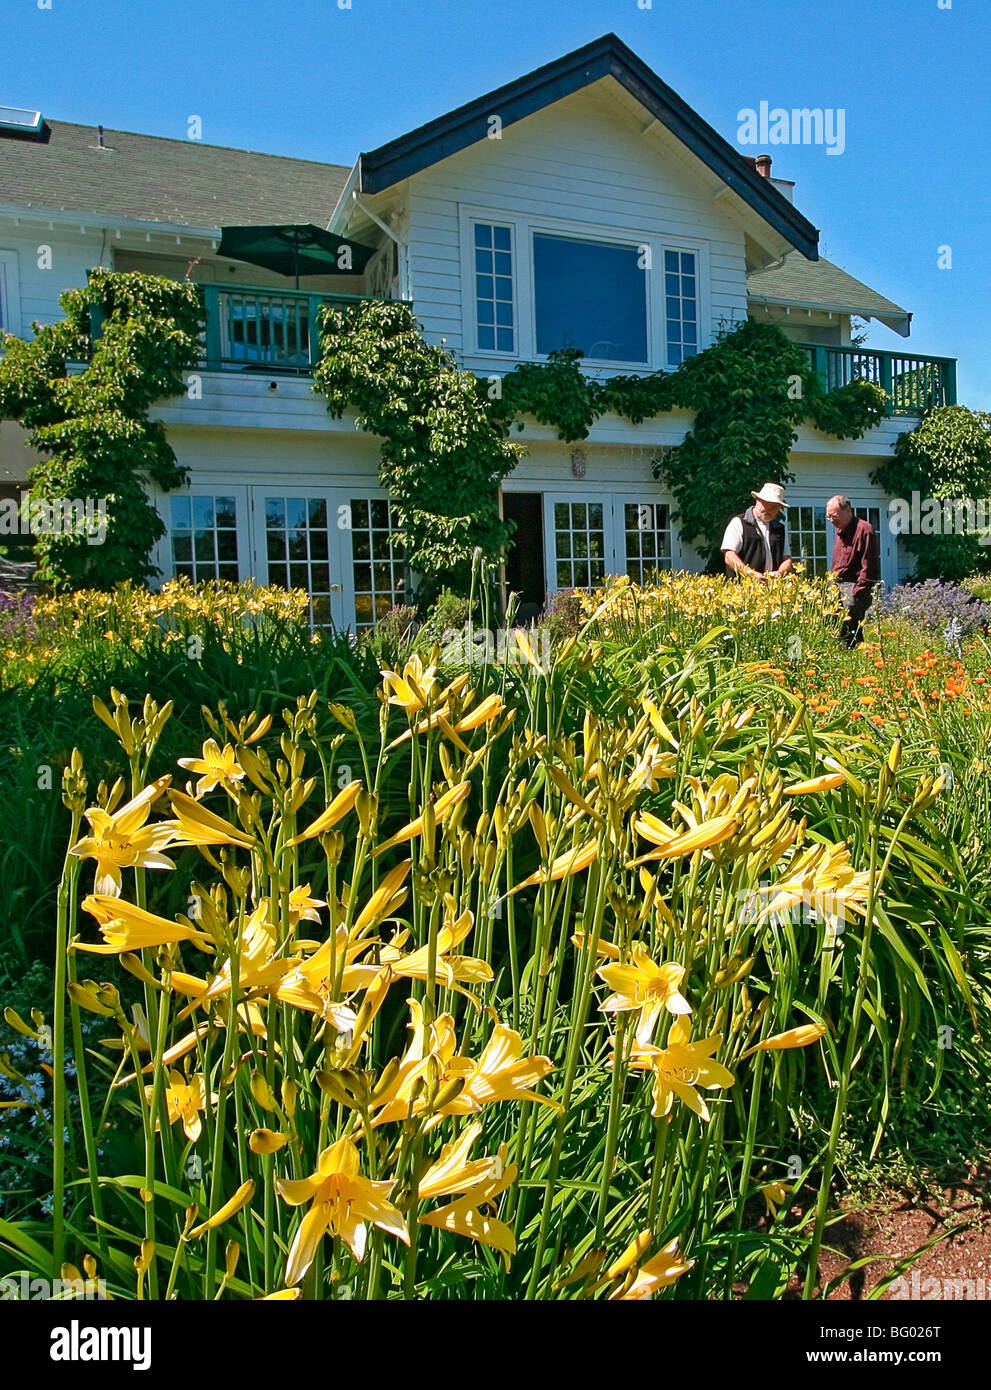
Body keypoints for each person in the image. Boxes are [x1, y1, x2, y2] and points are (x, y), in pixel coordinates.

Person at [826, 495, 880, 647]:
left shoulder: (864, 530)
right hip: (837, 585)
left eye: (834, 516)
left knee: (851, 629)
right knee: (833, 625)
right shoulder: (840, 531)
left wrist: (856, 594)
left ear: (848, 511)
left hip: (854, 586)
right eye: (828, 517)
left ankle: (856, 658)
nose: (831, 520)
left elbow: (869, 567)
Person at [721, 483, 794, 581]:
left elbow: (787, 558)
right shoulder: (739, 522)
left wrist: (780, 572)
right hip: (741, 589)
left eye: (775, 507)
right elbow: (729, 556)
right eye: (768, 505)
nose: (771, 510)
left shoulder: (780, 528)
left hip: (771, 589)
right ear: (758, 501)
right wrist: (750, 574)